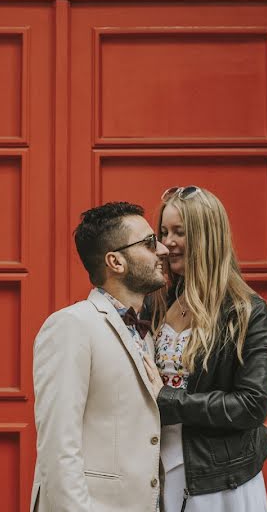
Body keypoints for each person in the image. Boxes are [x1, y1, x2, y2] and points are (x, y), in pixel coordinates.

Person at [144, 186, 267, 512]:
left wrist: (169, 399)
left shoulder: (247, 312)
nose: (167, 242)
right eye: (164, 231)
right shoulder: (159, 304)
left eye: (180, 231)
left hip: (218, 482)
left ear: (208, 236)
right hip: (160, 473)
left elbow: (250, 406)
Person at [31, 201, 170, 512]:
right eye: (149, 243)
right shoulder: (72, 325)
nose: (162, 249)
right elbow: (58, 447)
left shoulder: (143, 333)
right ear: (115, 261)